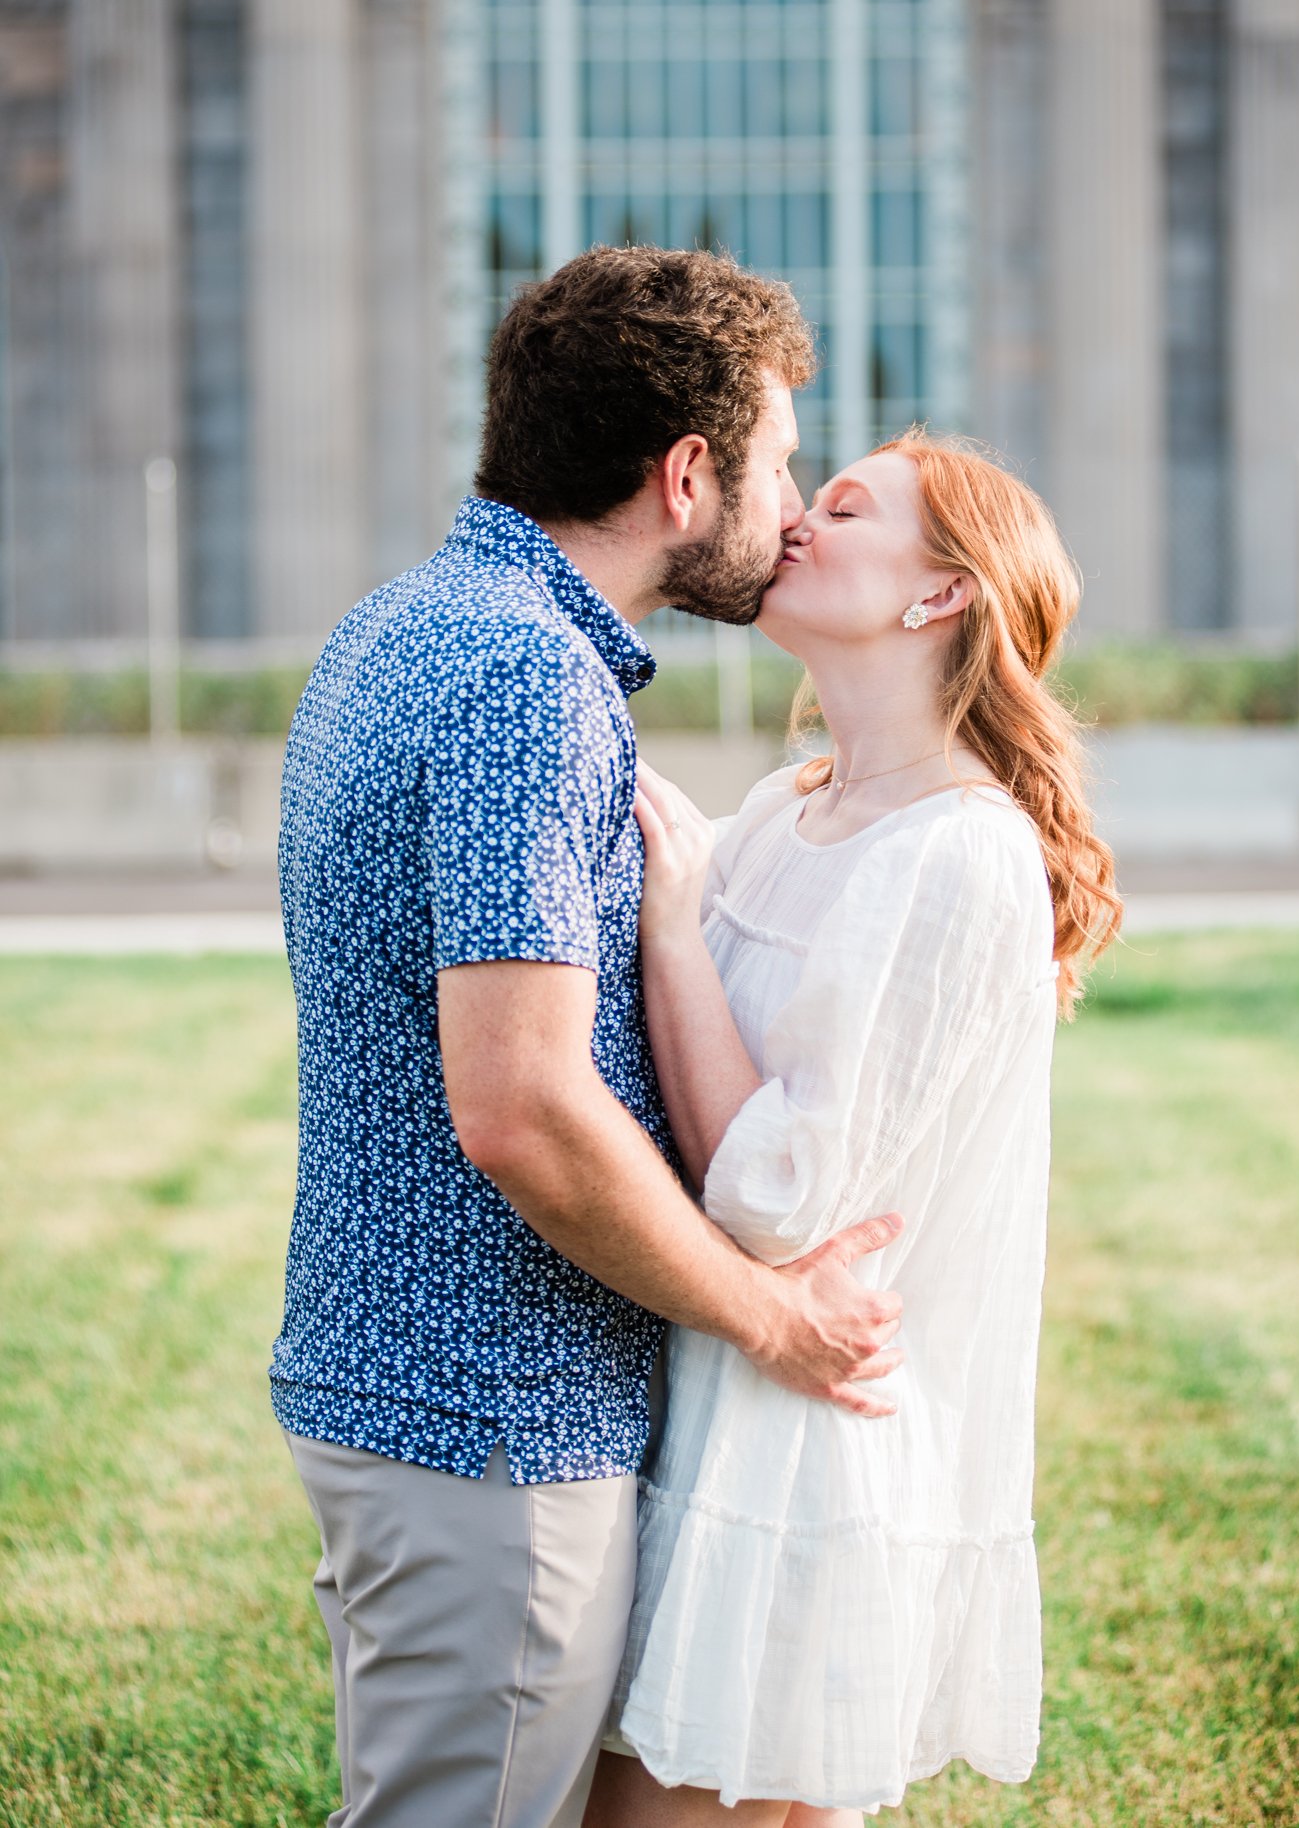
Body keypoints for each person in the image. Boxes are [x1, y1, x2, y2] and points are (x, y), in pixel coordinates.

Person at [272, 246, 905, 1828]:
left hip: (421, 1400)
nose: (791, 507)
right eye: (771, 465)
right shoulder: (521, 678)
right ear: (685, 475)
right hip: (488, 1417)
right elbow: (523, 1110)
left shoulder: (412, 620)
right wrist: (774, 1321)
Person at [586, 433, 1123, 1826]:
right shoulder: (784, 806)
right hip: (701, 1395)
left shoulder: (961, 850)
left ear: (938, 596)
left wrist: (673, 929)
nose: (793, 520)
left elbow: (775, 1197)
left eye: (842, 508)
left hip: (797, 1457)